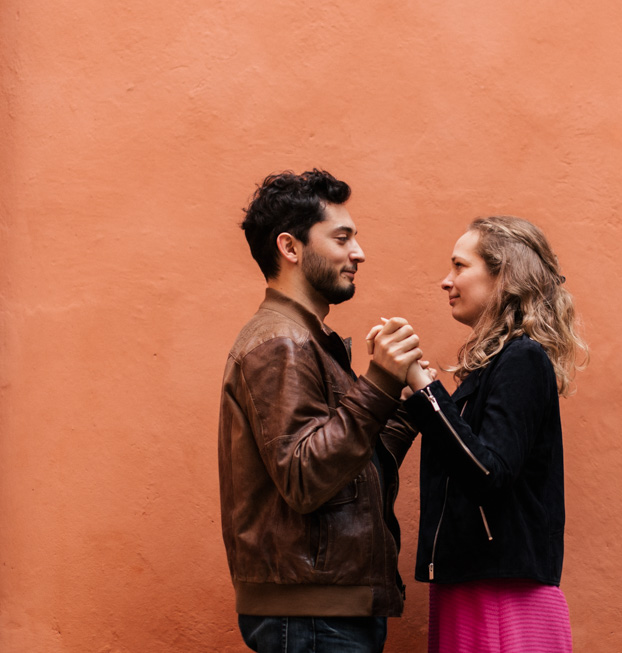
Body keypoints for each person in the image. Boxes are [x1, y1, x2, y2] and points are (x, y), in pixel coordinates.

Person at [218, 169, 424, 653]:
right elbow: (305, 477)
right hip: (311, 617)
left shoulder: (303, 339)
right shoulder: (281, 343)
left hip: (322, 612)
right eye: (342, 237)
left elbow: (349, 470)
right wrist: (377, 383)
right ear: (290, 248)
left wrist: (404, 410)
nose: (359, 252)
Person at [394, 216, 587, 653]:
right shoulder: (493, 368)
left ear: (504, 278)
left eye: (460, 266)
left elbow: (489, 472)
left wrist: (428, 393)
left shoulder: (522, 359)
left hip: (502, 595)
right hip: (473, 587)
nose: (447, 281)